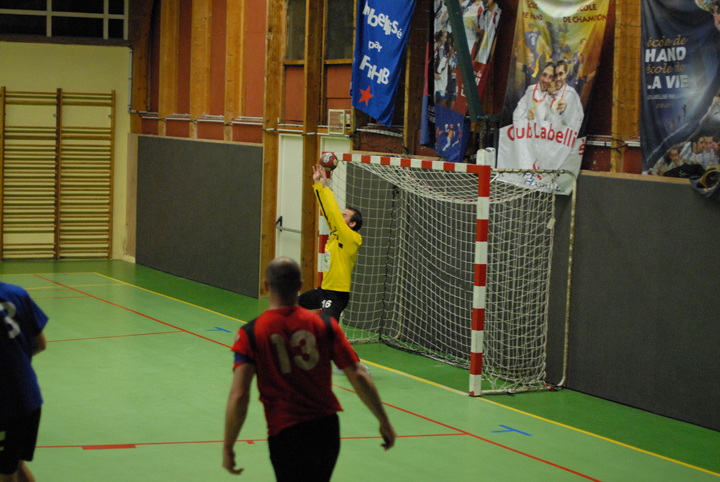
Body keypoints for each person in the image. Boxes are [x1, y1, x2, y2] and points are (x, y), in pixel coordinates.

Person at [223, 257, 396, 480]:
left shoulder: (250, 333)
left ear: (266, 285)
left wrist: (228, 446)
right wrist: (383, 421)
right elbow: (358, 374)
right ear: (300, 285)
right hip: (326, 430)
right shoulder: (325, 325)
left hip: (284, 431)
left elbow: (239, 394)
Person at [298, 165, 363, 325]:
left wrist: (326, 187)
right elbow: (328, 211)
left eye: (344, 215)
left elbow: (333, 211)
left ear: (352, 224)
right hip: (323, 290)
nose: (341, 216)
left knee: (329, 328)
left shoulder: (351, 238)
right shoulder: (336, 234)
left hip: (337, 294)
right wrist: (318, 184)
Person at [1, 282, 49, 482]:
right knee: (17, 467)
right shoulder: (17, 293)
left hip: (6, 404)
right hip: (29, 396)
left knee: (6, 474)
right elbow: (40, 344)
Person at [539, 59, 583, 131]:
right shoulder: (549, 95)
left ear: (566, 73)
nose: (558, 79)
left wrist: (565, 111)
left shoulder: (571, 94)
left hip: (562, 137)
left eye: (561, 74)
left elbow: (579, 122)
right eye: (555, 75)